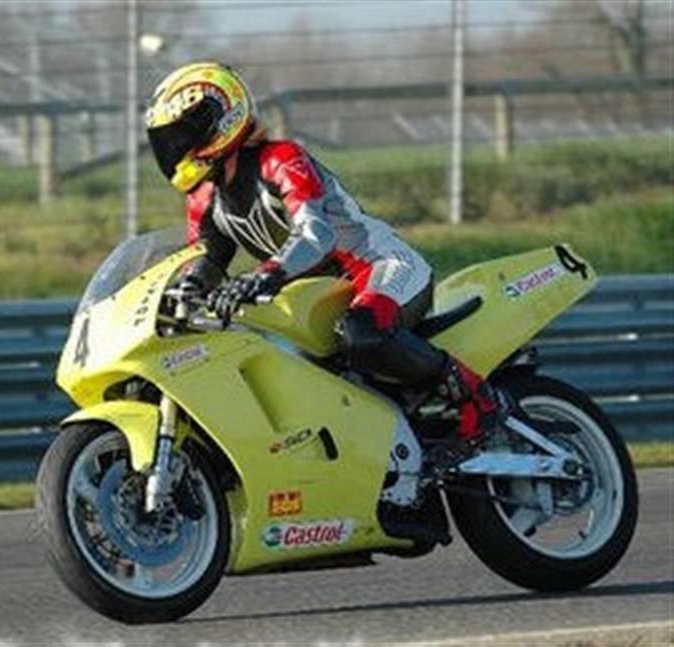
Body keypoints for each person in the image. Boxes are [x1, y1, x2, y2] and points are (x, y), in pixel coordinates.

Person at [145, 61, 499, 443]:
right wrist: (182, 290)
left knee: (361, 333)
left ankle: (477, 397)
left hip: (382, 267)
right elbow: (206, 258)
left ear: (221, 120)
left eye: (183, 133)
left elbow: (316, 234)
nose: (176, 147)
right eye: (168, 139)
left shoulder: (280, 159)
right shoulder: (204, 198)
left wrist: (264, 275)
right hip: (320, 298)